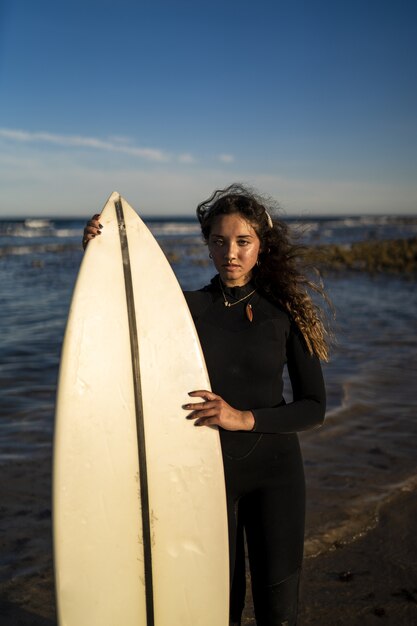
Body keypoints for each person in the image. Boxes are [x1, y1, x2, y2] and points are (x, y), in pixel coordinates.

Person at [82, 184, 329, 626]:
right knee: (218, 610)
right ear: (208, 245)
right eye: (219, 241)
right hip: (206, 479)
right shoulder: (186, 309)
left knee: (279, 610)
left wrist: (242, 417)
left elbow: (313, 407)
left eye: (242, 241)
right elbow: (118, 322)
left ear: (261, 245)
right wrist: (97, 257)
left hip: (277, 476)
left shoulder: (286, 312)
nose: (230, 253)